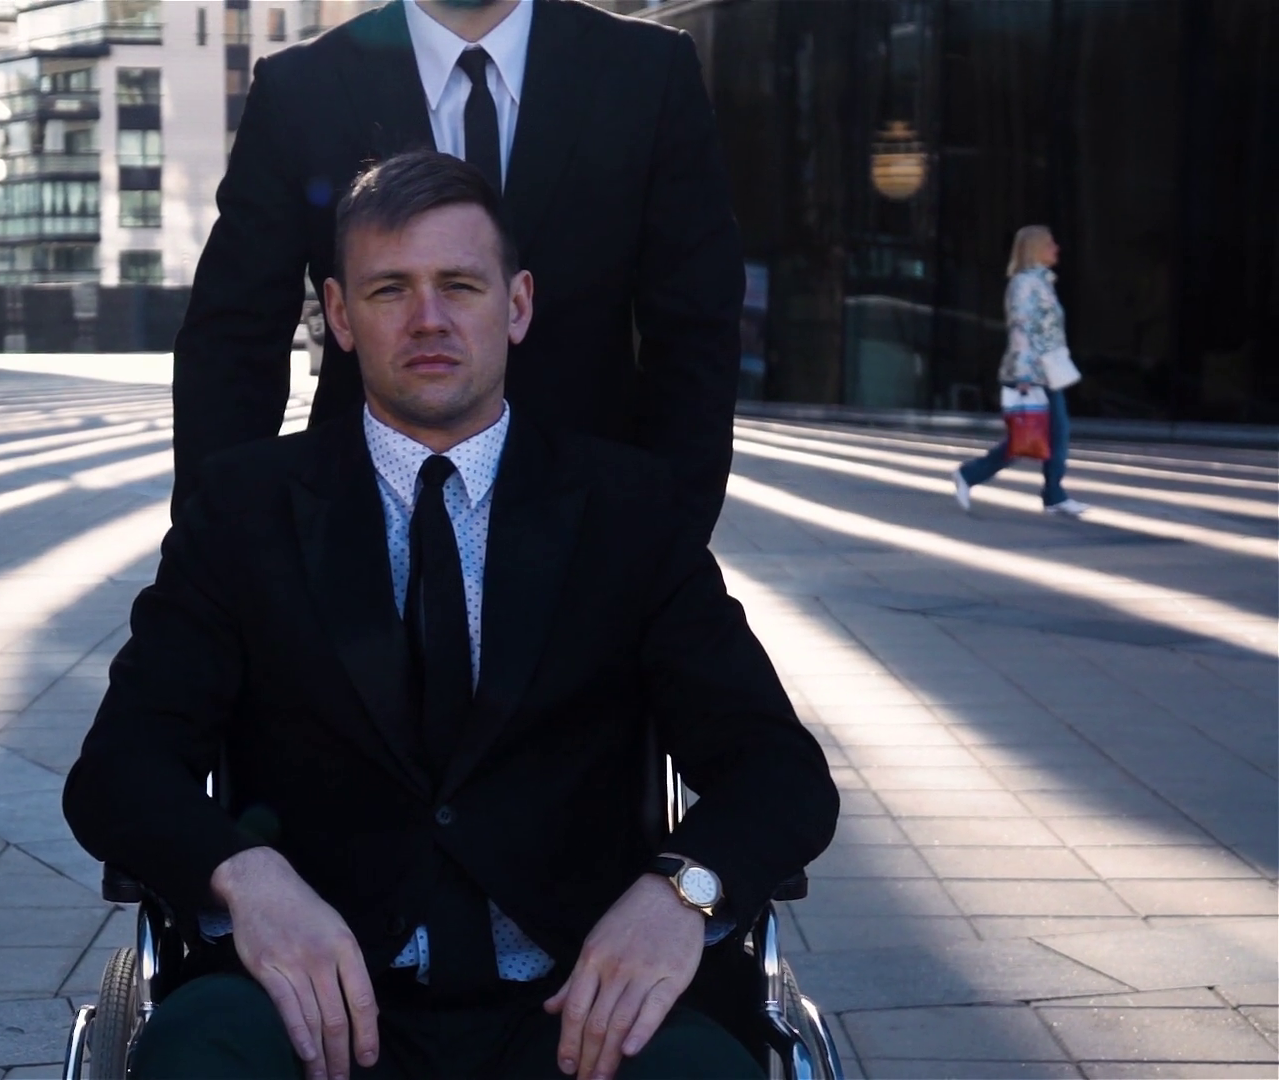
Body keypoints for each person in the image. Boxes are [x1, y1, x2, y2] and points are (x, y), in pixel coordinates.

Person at [65, 153, 838, 1080]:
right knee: (195, 1054)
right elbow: (119, 769)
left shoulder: (626, 510)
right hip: (309, 999)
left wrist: (683, 892)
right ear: (339, 315)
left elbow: (779, 772)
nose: (428, 318)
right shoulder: (243, 511)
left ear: (517, 305)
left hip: (580, 1000)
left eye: (460, 286)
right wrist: (246, 877)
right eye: (389, 289)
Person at [171, 0, 745, 541]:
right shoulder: (299, 87)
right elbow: (234, 338)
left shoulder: (649, 71)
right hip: (353, 531)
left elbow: (696, 329)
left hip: (597, 528)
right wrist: (219, 541)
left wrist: (668, 534)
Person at [953, 225, 1090, 517]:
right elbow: (1021, 329)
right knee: (1029, 437)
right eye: (1050, 244)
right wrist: (1024, 374)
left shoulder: (1042, 282)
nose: (1056, 248)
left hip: (1048, 372)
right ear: (1036, 248)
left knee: (1051, 435)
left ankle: (1053, 495)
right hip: (1032, 374)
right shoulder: (1024, 284)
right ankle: (971, 474)